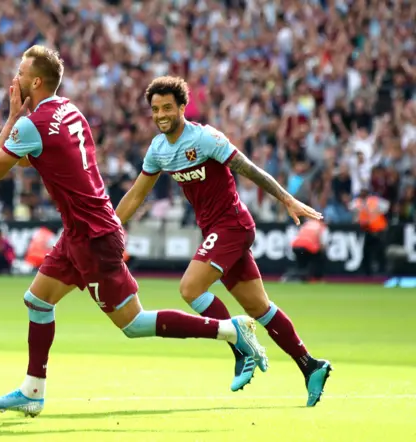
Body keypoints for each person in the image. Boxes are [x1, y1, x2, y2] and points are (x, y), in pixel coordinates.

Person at [0, 46, 268, 417]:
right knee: (37, 301)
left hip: (92, 236)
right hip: (81, 230)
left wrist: (11, 117)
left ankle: (230, 330)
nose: (14, 79)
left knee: (133, 324)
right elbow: (40, 156)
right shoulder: (70, 110)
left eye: (20, 73)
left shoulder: (28, 124)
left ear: (35, 82)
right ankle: (33, 390)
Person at [115, 76, 331, 407]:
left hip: (232, 225)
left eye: (167, 108)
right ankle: (310, 365)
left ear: (182, 108)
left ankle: (238, 345)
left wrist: (286, 199)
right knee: (259, 307)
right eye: (155, 109)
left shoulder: (204, 138)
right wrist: (110, 227)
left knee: (190, 288)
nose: (160, 114)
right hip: (215, 231)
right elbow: (136, 195)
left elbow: (249, 169)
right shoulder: (158, 150)